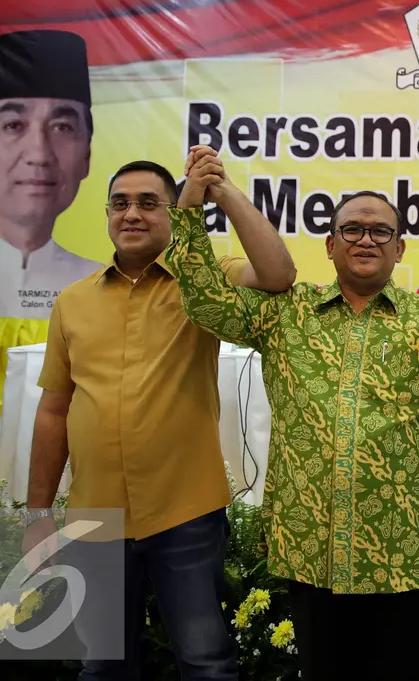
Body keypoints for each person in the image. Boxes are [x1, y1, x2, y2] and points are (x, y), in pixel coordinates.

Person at [165, 146, 419, 680]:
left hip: (400, 557)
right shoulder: (287, 313)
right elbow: (206, 299)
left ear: (399, 249)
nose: (365, 240)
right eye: (351, 229)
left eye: (379, 232)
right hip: (311, 554)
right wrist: (191, 210)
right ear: (329, 244)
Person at [21, 155, 295, 679]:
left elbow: (280, 274)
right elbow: (54, 411)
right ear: (105, 214)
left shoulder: (204, 282)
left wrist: (222, 191)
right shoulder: (72, 302)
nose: (132, 214)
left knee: (206, 664)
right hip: (93, 517)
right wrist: (38, 518)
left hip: (185, 512)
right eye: (120, 203)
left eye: (149, 203)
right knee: (102, 667)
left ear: (175, 214)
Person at [0, 29, 104, 417]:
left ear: (87, 154)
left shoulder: (101, 284)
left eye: (62, 127)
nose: (38, 154)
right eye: (13, 125)